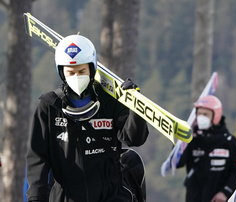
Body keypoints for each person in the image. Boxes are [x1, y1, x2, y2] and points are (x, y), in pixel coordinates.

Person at [26, 34, 149, 202]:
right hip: (67, 196)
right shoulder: (49, 106)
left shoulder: (108, 101)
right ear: (61, 72)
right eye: (71, 72)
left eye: (82, 71)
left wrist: (135, 107)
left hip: (111, 194)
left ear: (92, 68)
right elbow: (38, 158)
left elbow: (135, 138)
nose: (76, 76)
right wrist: (36, 198)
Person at [177, 95, 236, 202]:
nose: (201, 117)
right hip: (194, 197)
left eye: (205, 114)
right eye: (199, 114)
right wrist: (181, 142)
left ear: (216, 115)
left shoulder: (229, 141)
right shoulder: (192, 140)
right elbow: (177, 163)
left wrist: (225, 192)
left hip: (218, 198)